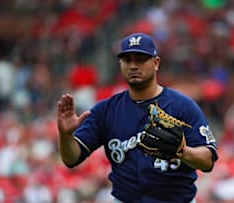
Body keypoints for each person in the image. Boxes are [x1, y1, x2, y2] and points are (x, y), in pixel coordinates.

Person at [57, 33, 218, 202]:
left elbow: (207, 160)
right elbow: (71, 158)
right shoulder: (105, 111)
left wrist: (183, 152)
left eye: (140, 59)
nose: (133, 65)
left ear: (156, 63)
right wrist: (66, 136)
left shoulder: (182, 106)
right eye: (127, 60)